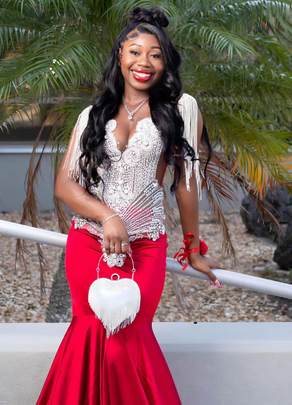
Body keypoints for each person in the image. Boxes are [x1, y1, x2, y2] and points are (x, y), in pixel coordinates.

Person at [36, 7, 224, 405]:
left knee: (127, 340)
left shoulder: (181, 109)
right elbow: (64, 185)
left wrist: (193, 248)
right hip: (88, 242)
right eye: (135, 51)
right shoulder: (92, 114)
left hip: (145, 246)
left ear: (166, 62)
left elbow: (187, 188)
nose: (144, 62)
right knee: (89, 334)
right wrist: (107, 216)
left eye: (155, 54)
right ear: (120, 53)